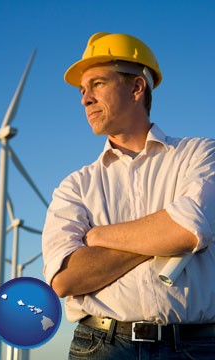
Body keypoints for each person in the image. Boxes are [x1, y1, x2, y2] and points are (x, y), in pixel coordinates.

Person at [42, 32, 215, 359]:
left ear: (137, 88)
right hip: (101, 345)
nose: (85, 99)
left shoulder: (201, 154)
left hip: (196, 346)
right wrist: (161, 236)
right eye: (82, 90)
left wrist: (98, 237)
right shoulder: (75, 185)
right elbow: (65, 279)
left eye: (97, 84)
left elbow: (188, 228)